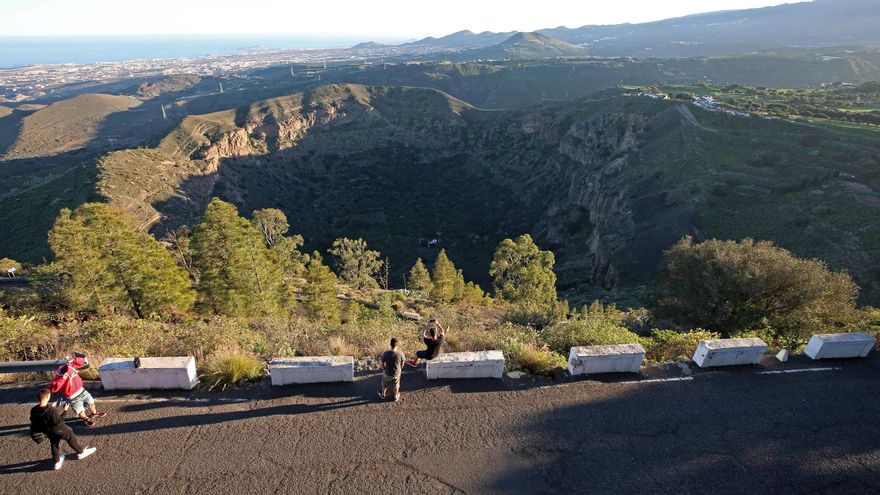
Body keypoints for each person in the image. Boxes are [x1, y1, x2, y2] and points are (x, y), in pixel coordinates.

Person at [30, 389, 97, 470]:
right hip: (61, 429)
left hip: (48, 431)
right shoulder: (51, 410)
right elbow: (60, 421)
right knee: (71, 439)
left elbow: (35, 418)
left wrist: (52, 406)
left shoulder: (34, 410)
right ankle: (81, 452)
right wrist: (65, 410)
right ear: (48, 397)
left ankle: (57, 462)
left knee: (54, 444)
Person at [49, 354, 106, 427]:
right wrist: (62, 379)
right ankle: (86, 418)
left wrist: (74, 359)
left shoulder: (70, 366)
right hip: (73, 398)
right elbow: (53, 389)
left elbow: (81, 360)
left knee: (91, 402)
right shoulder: (58, 378)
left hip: (82, 391)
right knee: (80, 410)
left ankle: (94, 413)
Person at [378, 338, 405, 402]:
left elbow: (381, 363)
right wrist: (400, 369)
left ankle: (383, 395)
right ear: (397, 345)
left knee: (384, 384)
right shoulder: (401, 353)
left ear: (390, 345)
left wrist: (384, 369)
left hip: (387, 373)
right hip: (397, 374)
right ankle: (395, 397)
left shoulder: (386, 353)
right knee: (396, 385)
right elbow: (402, 363)